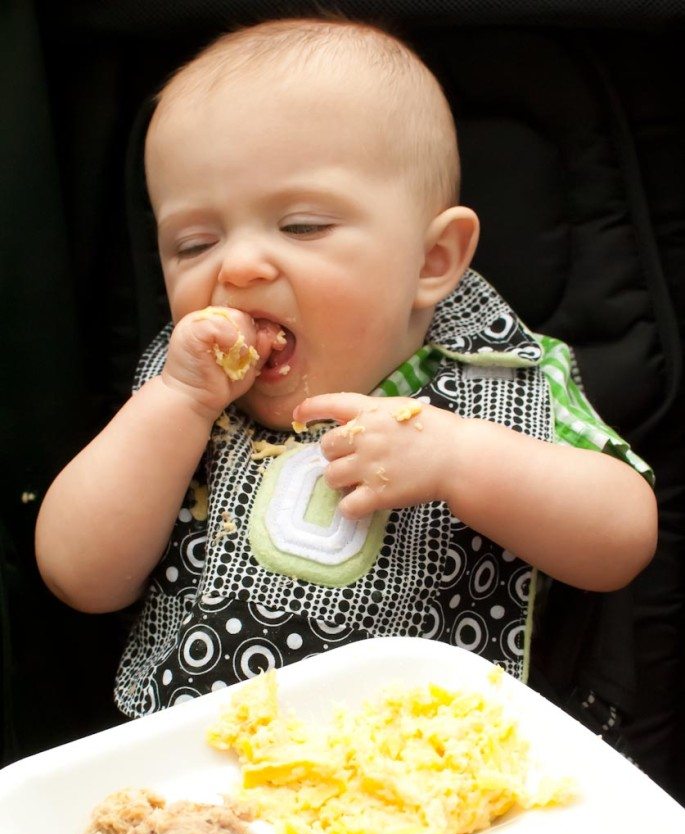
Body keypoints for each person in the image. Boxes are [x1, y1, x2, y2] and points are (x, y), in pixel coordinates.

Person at [35, 16, 657, 718]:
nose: (236, 268)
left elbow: (622, 539)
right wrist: (176, 404)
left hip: (429, 778)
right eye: (193, 243)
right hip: (197, 770)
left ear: (432, 261)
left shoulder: (503, 381)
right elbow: (80, 577)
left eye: (301, 227)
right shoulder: (182, 387)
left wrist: (461, 461)